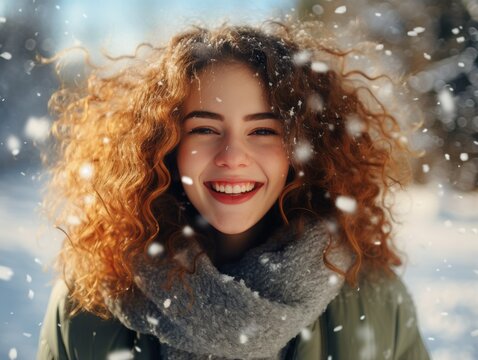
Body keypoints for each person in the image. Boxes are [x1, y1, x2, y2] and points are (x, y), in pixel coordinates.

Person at [37, 21, 430, 359]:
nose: (232, 156)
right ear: (164, 146)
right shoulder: (88, 306)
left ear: (305, 149)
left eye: (263, 131)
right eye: (205, 129)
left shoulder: (376, 301)